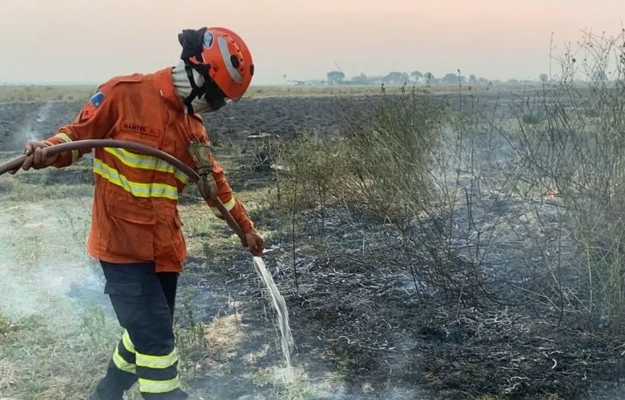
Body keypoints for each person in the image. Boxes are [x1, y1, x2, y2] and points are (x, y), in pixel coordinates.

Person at [10, 27, 264, 400]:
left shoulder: (194, 133)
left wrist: (247, 230)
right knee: (157, 343)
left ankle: (106, 394)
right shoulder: (123, 94)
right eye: (216, 97)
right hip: (121, 249)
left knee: (141, 333)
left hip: (164, 253)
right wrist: (46, 150)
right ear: (196, 72)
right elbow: (75, 137)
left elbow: (217, 190)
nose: (215, 107)